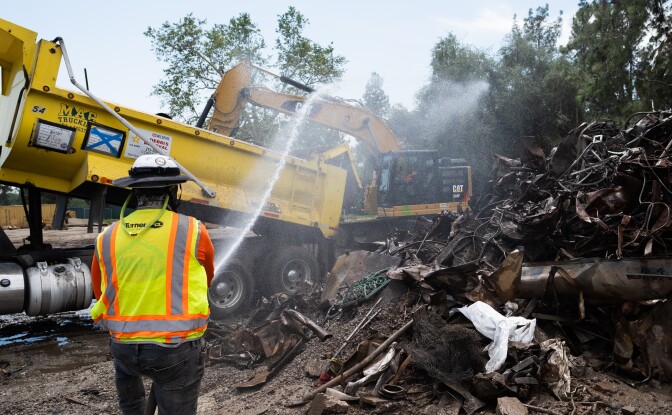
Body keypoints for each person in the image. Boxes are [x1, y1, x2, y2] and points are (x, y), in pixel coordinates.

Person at [90, 154, 215, 415]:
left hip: (123, 348)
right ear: (173, 192)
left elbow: (99, 291)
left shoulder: (107, 236)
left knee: (131, 405)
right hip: (175, 350)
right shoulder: (193, 230)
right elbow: (207, 280)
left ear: (135, 194)